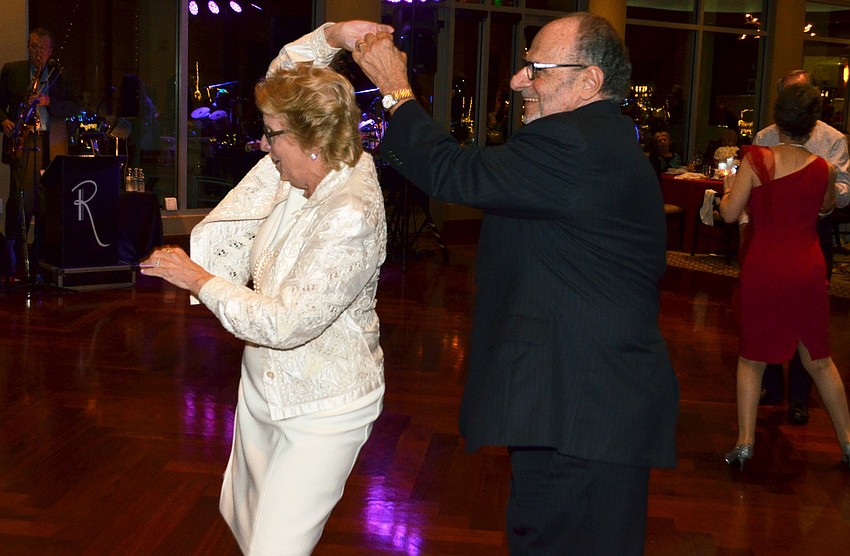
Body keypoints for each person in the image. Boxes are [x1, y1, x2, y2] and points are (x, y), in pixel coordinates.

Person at [355, 13, 679, 554]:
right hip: (585, 404)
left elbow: (453, 173)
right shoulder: (598, 140)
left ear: (589, 82)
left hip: (582, 408)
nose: (517, 80)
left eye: (538, 69)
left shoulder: (575, 142)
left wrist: (396, 90)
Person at [140, 20, 391, 554]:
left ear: (311, 137)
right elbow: (286, 72)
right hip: (262, 389)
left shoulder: (351, 212)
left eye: (272, 133)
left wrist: (198, 278)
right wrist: (336, 32)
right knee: (247, 523)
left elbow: (285, 322)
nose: (263, 144)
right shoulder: (298, 174)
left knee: (274, 547)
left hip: (324, 406)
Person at [719, 83, 850, 470]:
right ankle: (847, 442)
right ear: (812, 126)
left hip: (766, 265)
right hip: (807, 266)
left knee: (752, 358)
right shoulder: (824, 169)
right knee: (819, 359)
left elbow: (729, 214)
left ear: (778, 118)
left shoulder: (757, 159)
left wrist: (729, 190)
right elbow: (825, 210)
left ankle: (745, 444)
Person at [754, 69, 850, 425]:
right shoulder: (764, 136)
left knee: (808, 323)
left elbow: (842, 192)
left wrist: (810, 194)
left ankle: (798, 397)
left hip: (812, 234)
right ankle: (772, 389)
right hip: (772, 235)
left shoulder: (833, 140)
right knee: (766, 315)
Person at [0, 27, 79, 282]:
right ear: (27, 46)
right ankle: (13, 253)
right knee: (22, 198)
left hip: (51, 141)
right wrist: (4, 121)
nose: (38, 53)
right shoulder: (13, 70)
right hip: (23, 140)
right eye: (33, 47)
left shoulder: (60, 75)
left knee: (48, 201)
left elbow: (75, 105)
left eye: (43, 48)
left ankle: (41, 257)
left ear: (51, 50)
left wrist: (48, 102)